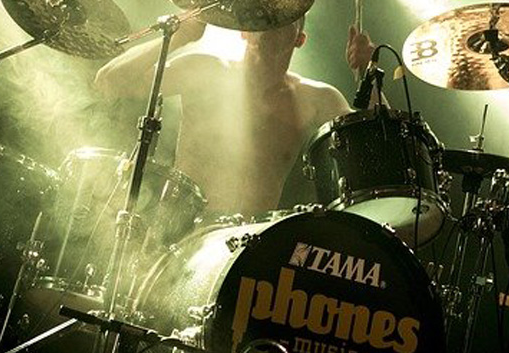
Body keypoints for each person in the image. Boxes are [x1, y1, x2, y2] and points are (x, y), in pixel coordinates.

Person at [94, 17, 377, 218]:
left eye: (285, 18)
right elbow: (109, 80)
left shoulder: (316, 97)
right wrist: (180, 35)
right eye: (264, 16)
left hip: (249, 248)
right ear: (245, 31)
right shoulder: (207, 69)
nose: (272, 23)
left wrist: (370, 70)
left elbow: (375, 145)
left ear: (300, 39)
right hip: (178, 231)